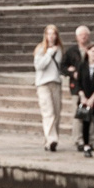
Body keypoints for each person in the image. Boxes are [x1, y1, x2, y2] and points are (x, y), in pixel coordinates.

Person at [66, 34, 94, 157]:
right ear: (88, 52)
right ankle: (86, 145)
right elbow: (78, 83)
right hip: (84, 97)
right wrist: (83, 97)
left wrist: (92, 99)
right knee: (85, 122)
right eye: (93, 51)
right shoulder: (82, 66)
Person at [31, 23, 67, 153]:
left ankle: (50, 141)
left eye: (54, 34)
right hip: (43, 83)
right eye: (49, 34)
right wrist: (50, 52)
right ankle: (52, 139)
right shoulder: (41, 49)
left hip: (56, 82)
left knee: (56, 113)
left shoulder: (60, 50)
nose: (51, 36)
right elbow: (39, 66)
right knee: (48, 112)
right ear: (45, 35)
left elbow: (61, 66)